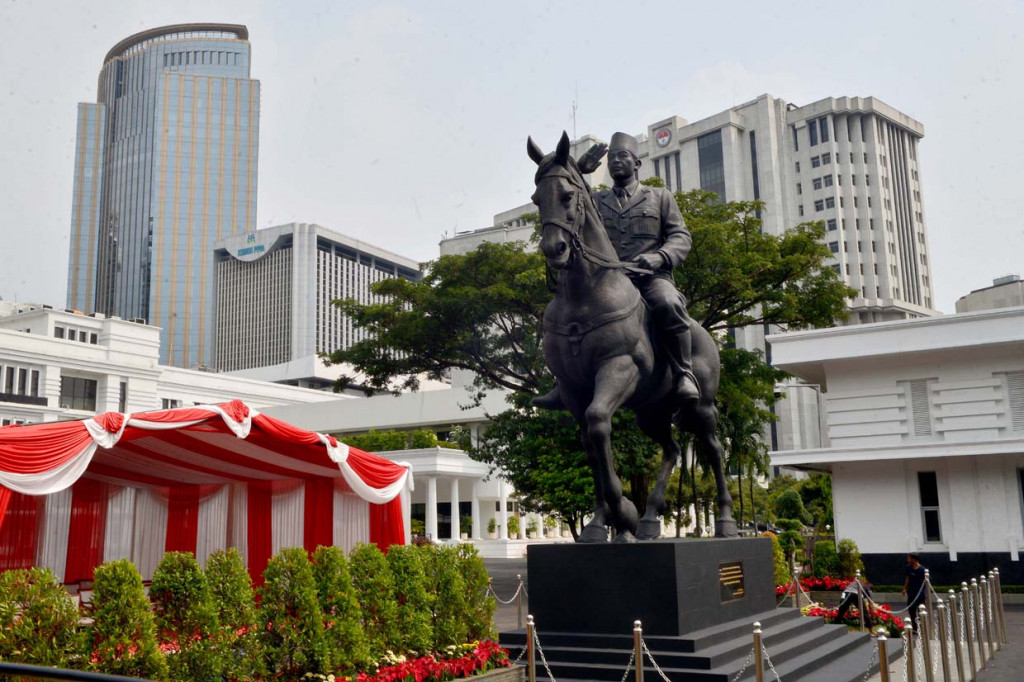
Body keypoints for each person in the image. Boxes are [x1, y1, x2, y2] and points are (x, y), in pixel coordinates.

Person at [534, 132, 700, 409]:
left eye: (623, 157)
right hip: (606, 280)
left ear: (637, 164)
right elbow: (566, 190)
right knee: (563, 313)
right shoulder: (596, 200)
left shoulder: (659, 197)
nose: (616, 162)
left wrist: (659, 258)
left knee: (669, 303)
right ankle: (562, 382)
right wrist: (579, 166)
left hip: (649, 277)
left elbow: (681, 237)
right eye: (611, 158)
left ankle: (684, 372)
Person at [903, 552, 927, 631]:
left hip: (920, 594)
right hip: (911, 593)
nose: (908, 560)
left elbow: (926, 582)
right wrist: (904, 589)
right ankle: (915, 627)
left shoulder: (922, 569)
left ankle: (922, 627)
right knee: (911, 611)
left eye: (909, 558)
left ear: (913, 559)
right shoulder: (908, 568)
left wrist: (926, 594)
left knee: (920, 611)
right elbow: (907, 578)